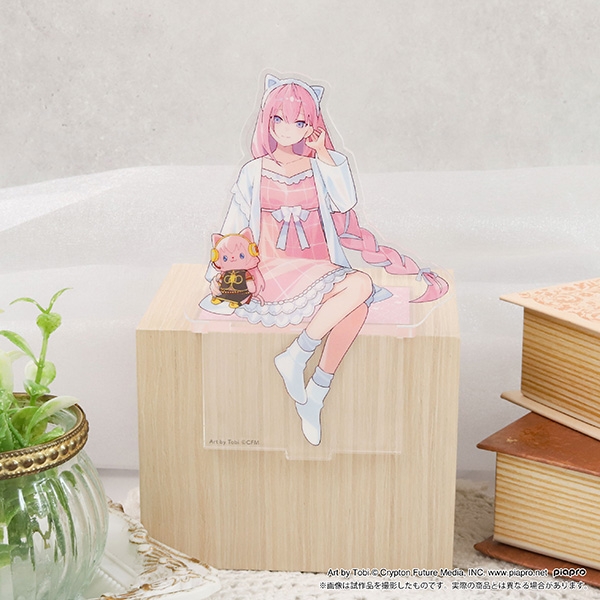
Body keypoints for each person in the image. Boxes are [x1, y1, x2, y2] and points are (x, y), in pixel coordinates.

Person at [205, 74, 448, 445]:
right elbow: (234, 225)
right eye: (279, 119)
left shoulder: (321, 166)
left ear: (311, 126)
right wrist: (218, 274)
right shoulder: (253, 171)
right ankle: (296, 356)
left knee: (357, 308)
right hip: (272, 270)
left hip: (319, 268)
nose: (287, 129)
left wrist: (322, 153)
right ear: (267, 121)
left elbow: (345, 201)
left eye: (299, 122)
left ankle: (315, 394)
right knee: (361, 284)